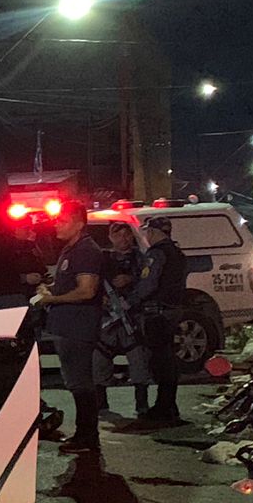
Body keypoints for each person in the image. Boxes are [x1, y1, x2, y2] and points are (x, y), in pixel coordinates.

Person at [36, 199, 105, 469]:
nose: (57, 224)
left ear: (79, 222)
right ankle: (84, 434)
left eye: (62, 220)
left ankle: (87, 436)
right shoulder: (71, 249)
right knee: (76, 382)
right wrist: (50, 291)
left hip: (78, 326)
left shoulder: (86, 250)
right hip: (68, 326)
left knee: (80, 383)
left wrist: (52, 299)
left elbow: (86, 290)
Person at [125, 214, 188, 428]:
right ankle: (168, 405)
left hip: (158, 312)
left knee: (160, 361)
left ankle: (164, 408)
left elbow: (148, 284)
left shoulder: (157, 253)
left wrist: (130, 301)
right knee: (168, 359)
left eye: (147, 232)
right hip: (173, 310)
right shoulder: (177, 252)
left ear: (153, 232)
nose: (146, 236)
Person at [92, 222, 154, 416]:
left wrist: (131, 280)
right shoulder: (103, 259)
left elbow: (149, 281)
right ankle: (101, 404)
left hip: (132, 317)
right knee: (100, 361)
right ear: (111, 238)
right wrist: (101, 298)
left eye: (126, 235)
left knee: (138, 362)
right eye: (118, 236)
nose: (123, 240)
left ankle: (141, 405)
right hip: (107, 319)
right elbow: (93, 281)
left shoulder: (140, 258)